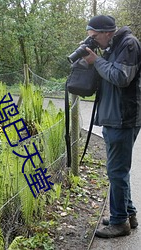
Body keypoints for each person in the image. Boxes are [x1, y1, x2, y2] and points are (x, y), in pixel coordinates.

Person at [83, 15, 141, 238]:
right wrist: (93, 60)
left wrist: (96, 61)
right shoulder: (112, 46)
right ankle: (128, 214)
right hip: (113, 117)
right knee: (118, 171)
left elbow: (120, 77)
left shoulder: (129, 44)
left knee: (116, 171)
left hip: (123, 118)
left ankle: (119, 223)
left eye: (95, 37)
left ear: (107, 32)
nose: (94, 41)